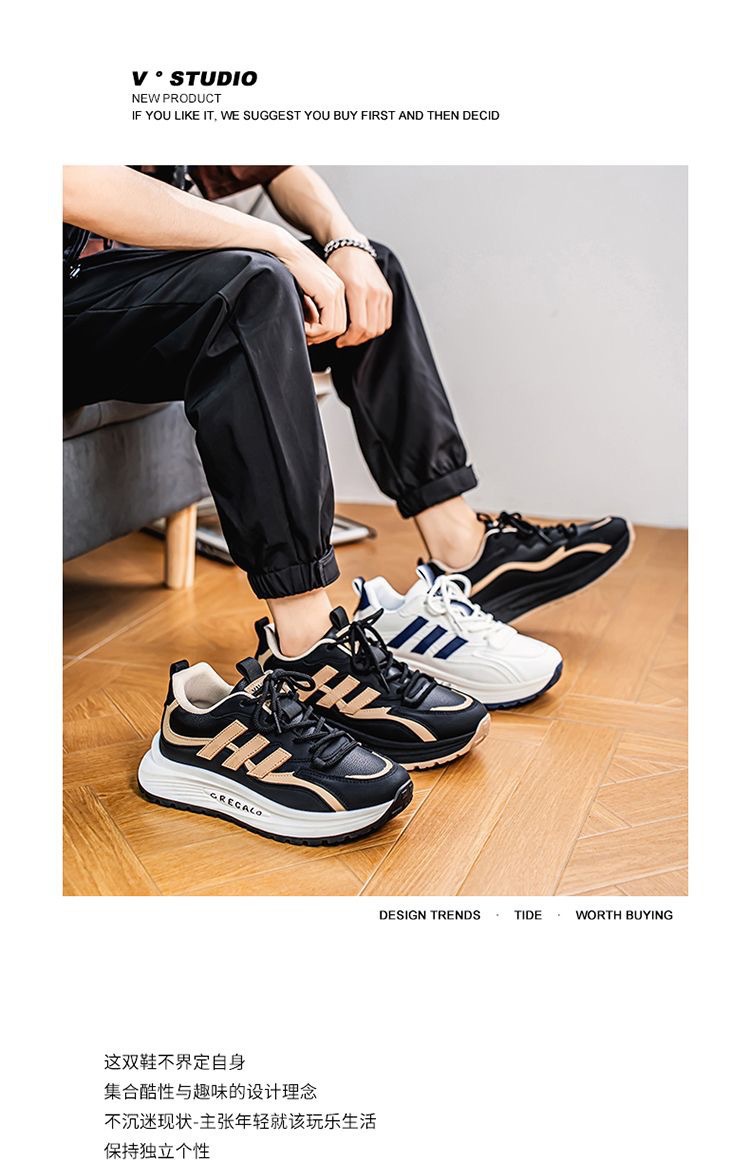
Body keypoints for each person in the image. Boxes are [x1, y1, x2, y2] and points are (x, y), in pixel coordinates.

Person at [63, 164, 631, 843]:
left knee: (367, 270)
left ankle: (464, 551)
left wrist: (344, 242)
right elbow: (71, 180)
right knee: (251, 285)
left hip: (131, 275)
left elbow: (273, 162)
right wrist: (280, 245)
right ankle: (308, 649)